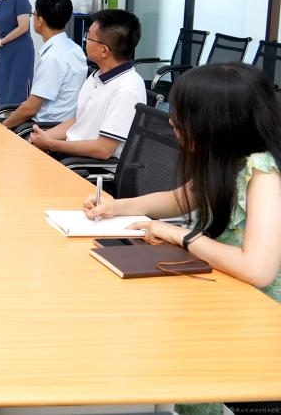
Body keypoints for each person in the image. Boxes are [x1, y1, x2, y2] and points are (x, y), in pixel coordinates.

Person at [83, 64, 281, 415]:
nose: (173, 122)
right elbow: (181, 198)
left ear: (217, 122)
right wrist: (117, 206)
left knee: (163, 347)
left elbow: (258, 270)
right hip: (223, 288)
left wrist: (179, 235)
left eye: (182, 116)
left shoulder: (263, 174)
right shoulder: (225, 158)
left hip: (259, 315)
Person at [29, 9, 145, 160]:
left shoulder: (126, 89)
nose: (85, 41)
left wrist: (51, 144)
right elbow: (80, 120)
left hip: (88, 166)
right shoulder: (98, 75)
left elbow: (103, 149)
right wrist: (42, 137)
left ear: (104, 51)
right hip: (71, 155)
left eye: (89, 37)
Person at [1, 0, 87, 130]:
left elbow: (30, 109)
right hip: (64, 124)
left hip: (43, 128)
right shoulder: (75, 49)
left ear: (40, 21)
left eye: (33, 14)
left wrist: (1, 127)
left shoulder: (52, 58)